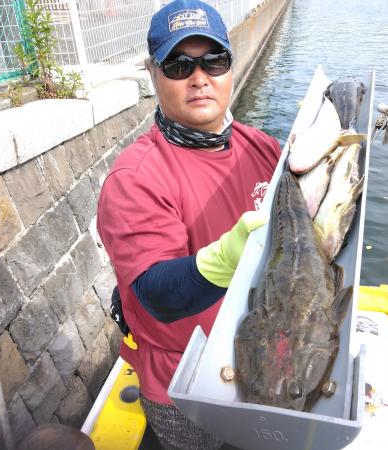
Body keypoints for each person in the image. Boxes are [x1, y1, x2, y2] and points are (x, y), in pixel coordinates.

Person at [96, 1, 281, 448]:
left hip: (263, 356)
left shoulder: (265, 148)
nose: (199, 77)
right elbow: (156, 293)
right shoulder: (136, 178)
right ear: (153, 73)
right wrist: (224, 260)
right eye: (179, 65)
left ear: (229, 67)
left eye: (213, 61)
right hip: (184, 381)